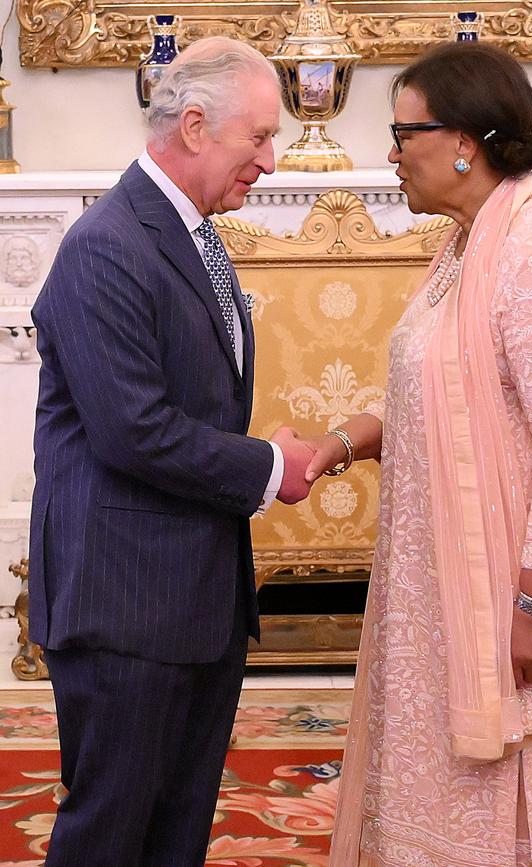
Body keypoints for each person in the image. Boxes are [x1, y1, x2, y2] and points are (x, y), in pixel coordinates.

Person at [305, 41, 532, 866]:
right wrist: (341, 443)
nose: (390, 152)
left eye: (402, 132)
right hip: (442, 590)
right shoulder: (466, 243)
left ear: (464, 144)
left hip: (510, 598)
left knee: (511, 810)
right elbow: (434, 399)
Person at [28, 36, 314, 867]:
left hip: (190, 597)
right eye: (258, 137)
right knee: (111, 833)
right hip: (125, 598)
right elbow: (133, 429)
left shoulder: (193, 232)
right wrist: (268, 467)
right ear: (194, 125)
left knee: (176, 830)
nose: (270, 160)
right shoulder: (106, 245)